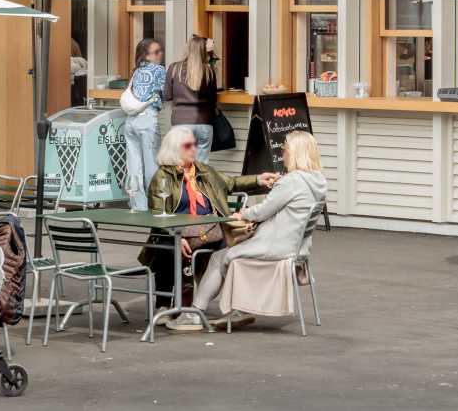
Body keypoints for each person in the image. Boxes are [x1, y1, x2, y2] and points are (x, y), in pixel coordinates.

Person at [140, 124, 273, 332]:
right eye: (188, 145)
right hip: (177, 230)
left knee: (232, 248)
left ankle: (235, 306)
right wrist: (178, 236)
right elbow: (158, 216)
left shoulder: (204, 171)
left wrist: (258, 180)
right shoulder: (162, 178)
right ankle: (165, 305)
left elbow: (231, 183)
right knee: (170, 245)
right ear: (175, 149)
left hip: (209, 229)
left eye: (195, 144)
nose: (194, 148)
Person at [195, 129, 328, 323]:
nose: (282, 153)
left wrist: (241, 214)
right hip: (298, 247)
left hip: (276, 246)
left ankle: (195, 312)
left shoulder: (292, 182)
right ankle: (239, 308)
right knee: (230, 256)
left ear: (295, 153)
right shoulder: (318, 180)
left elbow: (263, 211)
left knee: (218, 257)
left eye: (285, 149)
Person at [119, 37, 166, 211]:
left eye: (160, 50)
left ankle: (138, 205)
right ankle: (156, 205)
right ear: (146, 55)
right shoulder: (159, 70)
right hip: (147, 119)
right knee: (152, 165)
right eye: (156, 52)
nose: (160, 54)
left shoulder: (136, 71)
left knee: (134, 166)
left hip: (130, 121)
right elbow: (168, 92)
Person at [166, 35, 220, 158]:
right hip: (204, 124)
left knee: (182, 165)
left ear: (187, 49)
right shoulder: (209, 71)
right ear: (203, 51)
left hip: (181, 123)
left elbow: (167, 95)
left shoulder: (174, 68)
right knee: (201, 167)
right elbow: (213, 99)